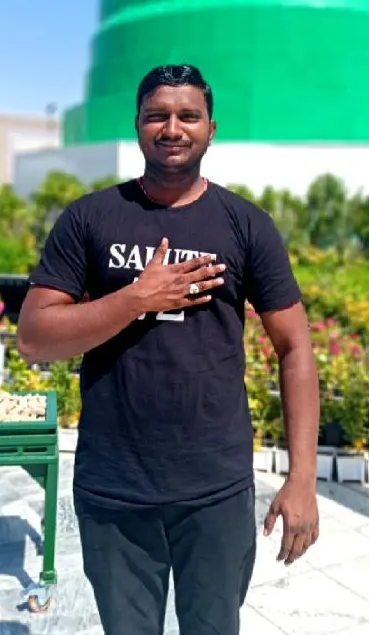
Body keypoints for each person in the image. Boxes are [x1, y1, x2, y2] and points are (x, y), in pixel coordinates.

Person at [17, 64, 320, 635]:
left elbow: (295, 347)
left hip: (216, 488)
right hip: (114, 487)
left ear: (211, 128)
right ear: (137, 125)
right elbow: (35, 336)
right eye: (158, 115)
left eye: (188, 116)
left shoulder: (246, 224)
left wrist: (302, 476)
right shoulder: (90, 217)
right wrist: (137, 298)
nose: (172, 128)